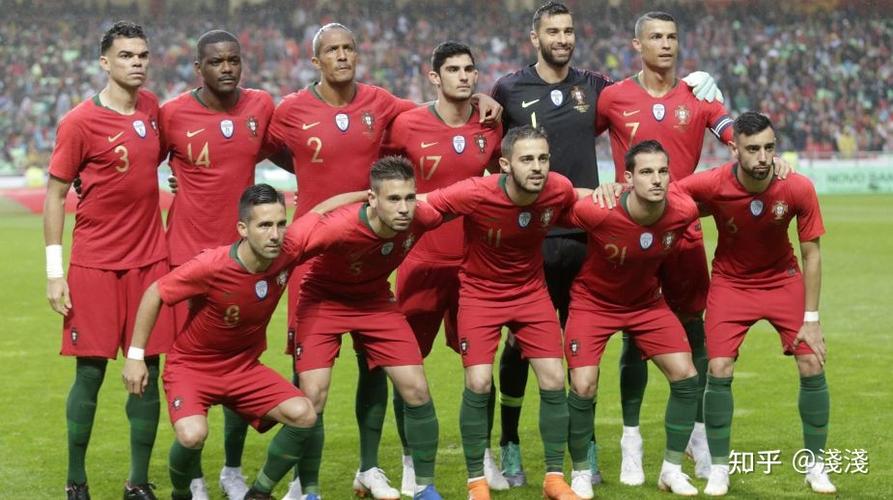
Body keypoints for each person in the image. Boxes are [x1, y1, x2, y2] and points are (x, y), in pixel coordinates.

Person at [264, 24, 500, 499]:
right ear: (316, 61)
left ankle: (369, 468)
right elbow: (262, 148)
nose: (342, 56)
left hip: (372, 251)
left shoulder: (383, 103)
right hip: (314, 253)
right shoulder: (290, 109)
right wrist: (310, 172)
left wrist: (478, 100)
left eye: (348, 48)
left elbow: (438, 112)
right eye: (332, 50)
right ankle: (302, 481)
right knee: (308, 378)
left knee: (373, 366)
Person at [490, 2, 721, 485]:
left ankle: (587, 447)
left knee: (581, 352)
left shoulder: (597, 88)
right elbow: (490, 148)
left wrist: (694, 86)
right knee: (519, 343)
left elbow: (646, 110)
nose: (562, 38)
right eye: (552, 31)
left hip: (587, 233)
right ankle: (509, 441)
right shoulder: (508, 89)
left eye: (568, 31)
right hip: (532, 235)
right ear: (534, 38)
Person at [121, 184, 364, 500]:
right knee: (192, 435)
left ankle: (258, 493)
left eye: (280, 223)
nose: (275, 234)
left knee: (304, 414)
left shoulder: (288, 248)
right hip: (193, 369)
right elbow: (156, 292)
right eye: (264, 225)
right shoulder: (212, 265)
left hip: (243, 368)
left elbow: (321, 210)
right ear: (243, 229)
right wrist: (135, 356)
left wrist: (367, 195)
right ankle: (181, 493)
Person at [594, 10, 733, 484]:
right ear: (637, 45)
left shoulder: (698, 95)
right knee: (634, 334)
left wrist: (759, 146)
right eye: (655, 37)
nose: (666, 44)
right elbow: (573, 136)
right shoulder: (614, 96)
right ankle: (630, 441)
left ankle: (697, 435)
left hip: (683, 231)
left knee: (695, 331)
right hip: (628, 234)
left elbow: (733, 134)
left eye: (672, 36)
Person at [672, 112, 833, 496]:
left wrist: (811, 318)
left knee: (812, 361)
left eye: (769, 148)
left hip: (782, 281)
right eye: (753, 149)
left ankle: (816, 466)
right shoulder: (713, 182)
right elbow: (668, 193)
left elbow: (812, 255)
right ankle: (719, 469)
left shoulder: (797, 187)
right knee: (719, 367)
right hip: (731, 284)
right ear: (734, 149)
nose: (763, 157)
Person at [44, 21, 172, 500]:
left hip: (150, 262)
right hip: (94, 264)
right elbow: (55, 194)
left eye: (142, 55)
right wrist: (54, 272)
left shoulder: (152, 108)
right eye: (125, 56)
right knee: (90, 373)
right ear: (105, 62)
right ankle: (76, 480)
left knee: (149, 370)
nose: (136, 63)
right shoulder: (79, 122)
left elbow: (153, 161)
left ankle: (137, 482)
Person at [422, 125, 580, 500]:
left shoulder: (558, 188)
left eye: (543, 158)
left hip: (531, 293)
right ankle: (477, 482)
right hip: (481, 294)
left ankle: (554, 479)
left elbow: (578, 205)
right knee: (478, 382)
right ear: (505, 165)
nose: (537, 167)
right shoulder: (476, 192)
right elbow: (425, 202)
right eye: (527, 159)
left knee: (554, 378)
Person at [158, 29, 279, 500]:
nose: (226, 68)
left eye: (233, 60)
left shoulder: (260, 105)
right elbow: (136, 159)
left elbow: (287, 148)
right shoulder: (172, 114)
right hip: (187, 260)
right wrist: (85, 182)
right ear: (198, 68)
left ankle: (231, 469)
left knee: (239, 364)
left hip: (242, 259)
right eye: (216, 61)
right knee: (191, 367)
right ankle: (192, 476)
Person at [384, 41, 505, 495]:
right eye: (453, 69)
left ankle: (485, 456)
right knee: (406, 366)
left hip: (475, 265)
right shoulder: (407, 124)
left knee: (481, 368)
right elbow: (380, 179)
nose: (463, 76)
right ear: (434, 76)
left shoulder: (490, 124)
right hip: (420, 261)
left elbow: (506, 178)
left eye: (469, 69)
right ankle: (409, 461)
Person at [292, 157, 446, 500]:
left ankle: (425, 488)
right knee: (313, 397)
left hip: (374, 300)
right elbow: (288, 247)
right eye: (394, 199)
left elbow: (463, 199)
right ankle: (308, 491)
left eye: (409, 197)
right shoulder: (339, 228)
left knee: (416, 389)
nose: (404, 208)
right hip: (324, 300)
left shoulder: (422, 216)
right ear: (372, 199)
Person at [563, 140, 702, 498]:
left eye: (662, 171)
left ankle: (671, 470)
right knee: (583, 386)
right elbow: (553, 207)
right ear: (628, 178)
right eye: (646, 172)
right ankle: (580, 472)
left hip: (646, 304)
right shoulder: (598, 210)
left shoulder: (683, 211)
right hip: (593, 304)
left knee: (686, 376)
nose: (656, 179)